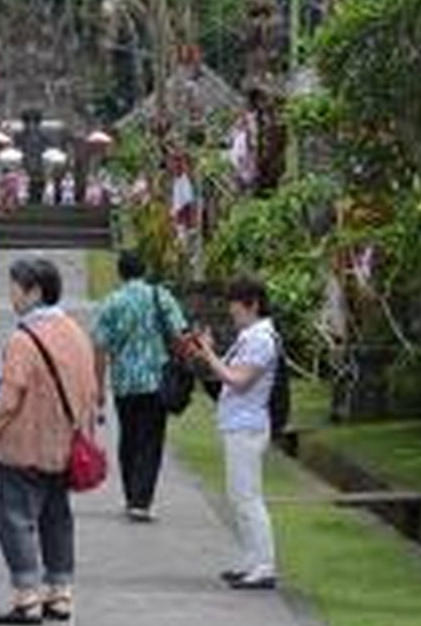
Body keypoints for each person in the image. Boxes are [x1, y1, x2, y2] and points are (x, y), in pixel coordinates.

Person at [0, 258, 98, 626]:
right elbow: (89, 390)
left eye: (14, 288)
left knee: (14, 519)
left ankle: (26, 596)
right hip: (64, 447)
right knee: (56, 519)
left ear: (34, 292)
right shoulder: (76, 332)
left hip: (24, 447)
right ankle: (59, 595)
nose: (10, 296)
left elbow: (9, 400)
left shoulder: (23, 339)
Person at [192, 275, 280, 590]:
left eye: (236, 307)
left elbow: (238, 380)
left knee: (248, 498)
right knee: (239, 497)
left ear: (252, 304)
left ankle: (264, 565)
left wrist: (210, 355)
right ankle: (252, 560)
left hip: (247, 426)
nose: (232, 313)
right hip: (239, 425)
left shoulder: (261, 339)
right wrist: (210, 353)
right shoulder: (250, 335)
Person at [92, 251, 188, 522]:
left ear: (120, 273)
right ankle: (141, 500)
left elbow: (99, 347)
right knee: (151, 440)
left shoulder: (111, 302)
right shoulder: (160, 296)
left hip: (123, 383)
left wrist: (98, 387)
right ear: (144, 270)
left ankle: (131, 495)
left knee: (129, 438)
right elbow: (180, 333)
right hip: (156, 381)